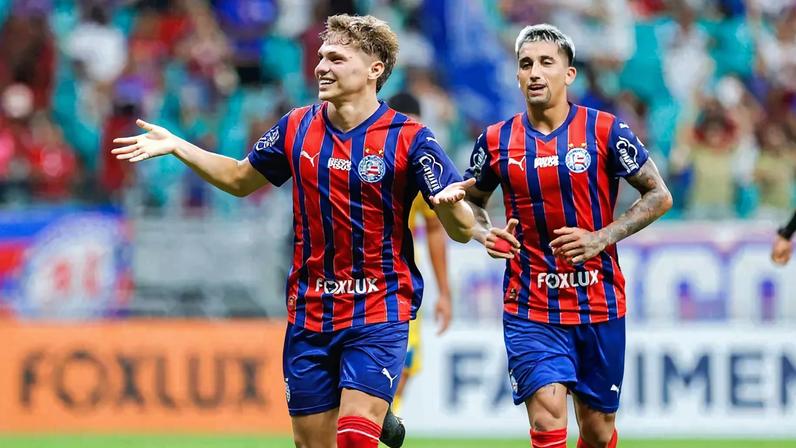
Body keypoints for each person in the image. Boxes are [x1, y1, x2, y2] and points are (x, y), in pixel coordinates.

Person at [112, 14, 476, 448]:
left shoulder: (412, 138)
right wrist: (178, 146)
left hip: (379, 306)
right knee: (311, 443)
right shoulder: (297, 126)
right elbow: (239, 179)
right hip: (311, 309)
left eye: (336, 59)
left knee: (356, 436)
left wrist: (452, 209)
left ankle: (372, 415)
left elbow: (460, 227)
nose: (321, 66)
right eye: (321, 57)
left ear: (375, 69)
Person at [462, 24, 672, 448]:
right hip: (530, 303)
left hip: (598, 300)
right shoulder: (496, 140)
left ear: (569, 74)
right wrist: (484, 233)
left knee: (597, 431)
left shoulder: (605, 130)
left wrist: (601, 238)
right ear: (517, 76)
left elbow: (659, 195)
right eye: (526, 65)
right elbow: (473, 202)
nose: (535, 72)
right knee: (546, 419)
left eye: (545, 63)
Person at [387, 92, 453, 413]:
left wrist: (444, 292)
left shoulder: (422, 168)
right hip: (357, 284)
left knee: (402, 371)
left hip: (400, 286)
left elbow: (436, 229)